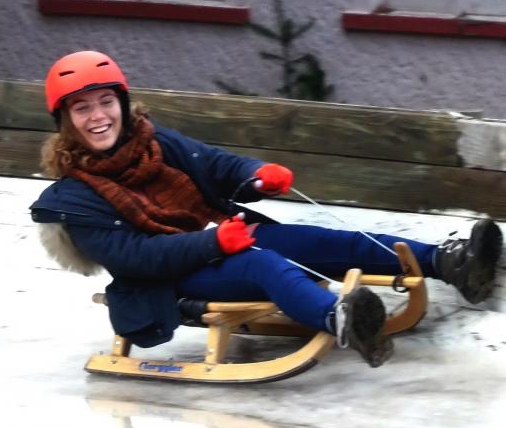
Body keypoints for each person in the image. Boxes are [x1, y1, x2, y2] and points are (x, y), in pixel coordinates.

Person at [29, 50, 503, 368]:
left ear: (122, 103)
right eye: (82, 108)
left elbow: (213, 163)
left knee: (319, 239)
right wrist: (213, 241)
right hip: (171, 279)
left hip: (221, 241)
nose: (98, 117)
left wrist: (256, 175)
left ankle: (448, 262)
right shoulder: (72, 201)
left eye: (105, 101)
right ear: (65, 122)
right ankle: (340, 319)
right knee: (263, 264)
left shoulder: (154, 142)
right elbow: (139, 258)